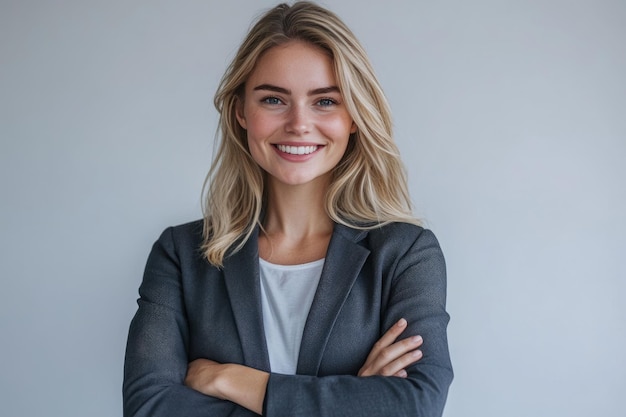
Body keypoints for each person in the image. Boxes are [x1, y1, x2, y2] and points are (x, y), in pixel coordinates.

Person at [123, 2, 453, 416]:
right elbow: (148, 408)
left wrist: (231, 380)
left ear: (354, 116)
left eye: (325, 102)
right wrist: (351, 398)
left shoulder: (405, 254)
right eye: (274, 99)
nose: (299, 123)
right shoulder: (180, 255)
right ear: (241, 111)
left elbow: (418, 405)